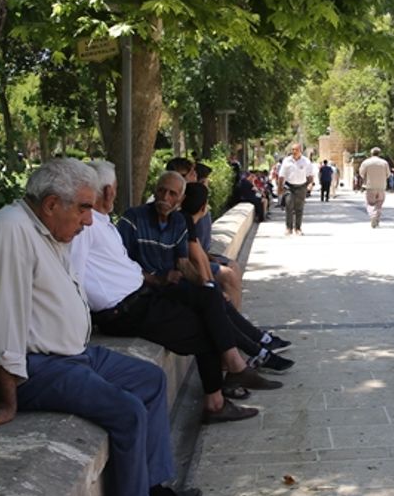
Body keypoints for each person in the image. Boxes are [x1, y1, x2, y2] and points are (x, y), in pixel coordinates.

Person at [0, 158, 198, 496]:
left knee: (149, 379)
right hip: (35, 367)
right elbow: (4, 323)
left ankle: (152, 489)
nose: (90, 221)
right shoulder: (10, 232)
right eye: (83, 209)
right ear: (52, 203)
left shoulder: (46, 229)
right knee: (125, 411)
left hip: (72, 354)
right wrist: (6, 401)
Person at [71, 162, 278, 424]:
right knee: (205, 326)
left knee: (209, 296)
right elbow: (74, 274)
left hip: (145, 292)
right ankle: (221, 393)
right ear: (109, 191)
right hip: (124, 309)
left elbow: (181, 260)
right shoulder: (93, 226)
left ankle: (232, 374)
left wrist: (170, 280)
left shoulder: (101, 224)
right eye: (161, 191)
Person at [118, 172, 295, 374]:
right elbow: (119, 263)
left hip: (171, 286)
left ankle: (256, 351)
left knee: (214, 296)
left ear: (181, 199)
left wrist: (206, 284)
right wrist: (155, 278)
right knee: (210, 308)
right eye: (161, 191)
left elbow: (184, 263)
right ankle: (256, 352)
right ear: (154, 190)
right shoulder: (134, 218)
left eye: (172, 194)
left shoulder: (177, 222)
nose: (165, 198)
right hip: (145, 289)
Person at [166, 158, 243, 310]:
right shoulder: (180, 209)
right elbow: (194, 255)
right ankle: (231, 320)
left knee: (232, 267)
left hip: (195, 254)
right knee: (228, 276)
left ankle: (233, 317)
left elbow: (198, 249)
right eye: (192, 173)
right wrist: (210, 285)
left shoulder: (191, 199)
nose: (195, 176)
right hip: (180, 262)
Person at [277, 143, 314, 235]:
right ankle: (288, 227)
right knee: (289, 206)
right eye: (292, 149)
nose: (294, 151)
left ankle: (298, 228)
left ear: (300, 150)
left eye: (296, 150)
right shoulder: (287, 161)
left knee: (299, 208)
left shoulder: (306, 161)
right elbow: (281, 175)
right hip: (289, 186)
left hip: (301, 186)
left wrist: (310, 185)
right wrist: (280, 187)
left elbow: (310, 175)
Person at [359, 147, 390, 227]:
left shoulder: (366, 162)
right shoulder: (384, 163)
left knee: (369, 204)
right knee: (379, 204)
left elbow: (361, 173)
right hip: (381, 186)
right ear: (379, 153)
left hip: (370, 186)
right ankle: (377, 219)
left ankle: (373, 216)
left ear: (371, 153)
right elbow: (388, 174)